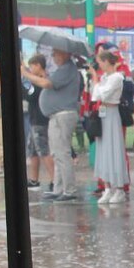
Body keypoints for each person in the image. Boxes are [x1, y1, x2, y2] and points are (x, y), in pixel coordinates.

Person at [22, 48, 82, 202]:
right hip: (55, 115)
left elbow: (47, 84)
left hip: (63, 114)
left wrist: (26, 74)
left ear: (65, 54)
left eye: (56, 53)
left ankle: (69, 190)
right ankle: (58, 188)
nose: (53, 56)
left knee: (62, 153)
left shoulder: (68, 68)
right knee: (56, 153)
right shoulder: (62, 69)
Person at [89, 49, 130, 205]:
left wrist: (96, 81)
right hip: (103, 113)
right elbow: (95, 94)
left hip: (112, 113)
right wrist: (97, 83)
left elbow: (101, 94)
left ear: (106, 62)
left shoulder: (117, 77)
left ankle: (119, 188)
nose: (99, 65)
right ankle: (107, 187)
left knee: (114, 149)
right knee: (103, 149)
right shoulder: (105, 77)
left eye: (100, 62)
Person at [23, 54, 53, 191]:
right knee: (33, 151)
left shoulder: (42, 80)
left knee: (44, 151)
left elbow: (31, 96)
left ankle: (54, 179)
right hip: (34, 119)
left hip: (41, 120)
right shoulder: (36, 81)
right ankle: (34, 180)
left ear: (38, 66)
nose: (30, 69)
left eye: (32, 66)